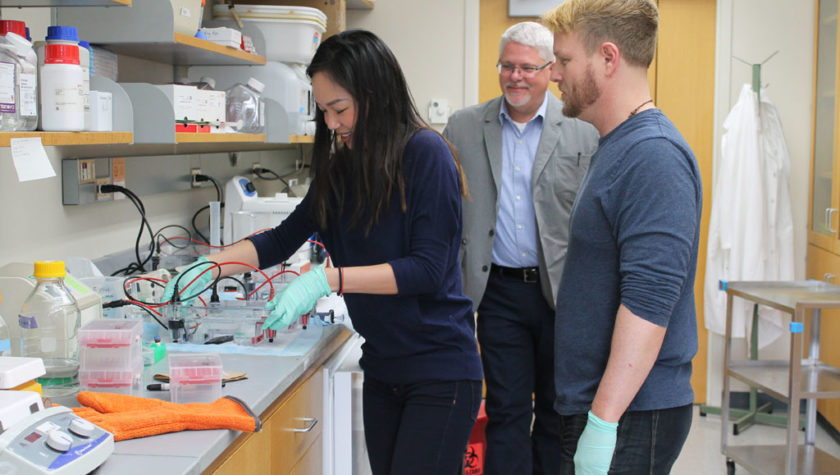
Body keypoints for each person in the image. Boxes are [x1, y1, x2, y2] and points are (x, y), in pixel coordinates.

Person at [162, 29, 483, 475]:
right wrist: (206, 268)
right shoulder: (342, 171)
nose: (331, 124)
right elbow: (279, 240)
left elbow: (426, 271)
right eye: (324, 111)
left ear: (376, 96)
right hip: (384, 372)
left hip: (438, 373)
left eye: (340, 109)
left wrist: (325, 279)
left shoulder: (424, 154)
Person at [541, 1, 702, 474]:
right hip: (605, 404)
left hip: (630, 412)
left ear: (608, 58)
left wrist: (603, 423)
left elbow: (649, 304)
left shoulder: (653, 156)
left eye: (565, 60)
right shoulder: (615, 145)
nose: (554, 75)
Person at [443, 21, 598, 475]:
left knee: (557, 412)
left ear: (551, 71)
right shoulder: (464, 127)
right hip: (499, 295)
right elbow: (451, 220)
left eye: (527, 68)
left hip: (562, 295)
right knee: (507, 412)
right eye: (507, 66)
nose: (516, 77)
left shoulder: (582, 130)